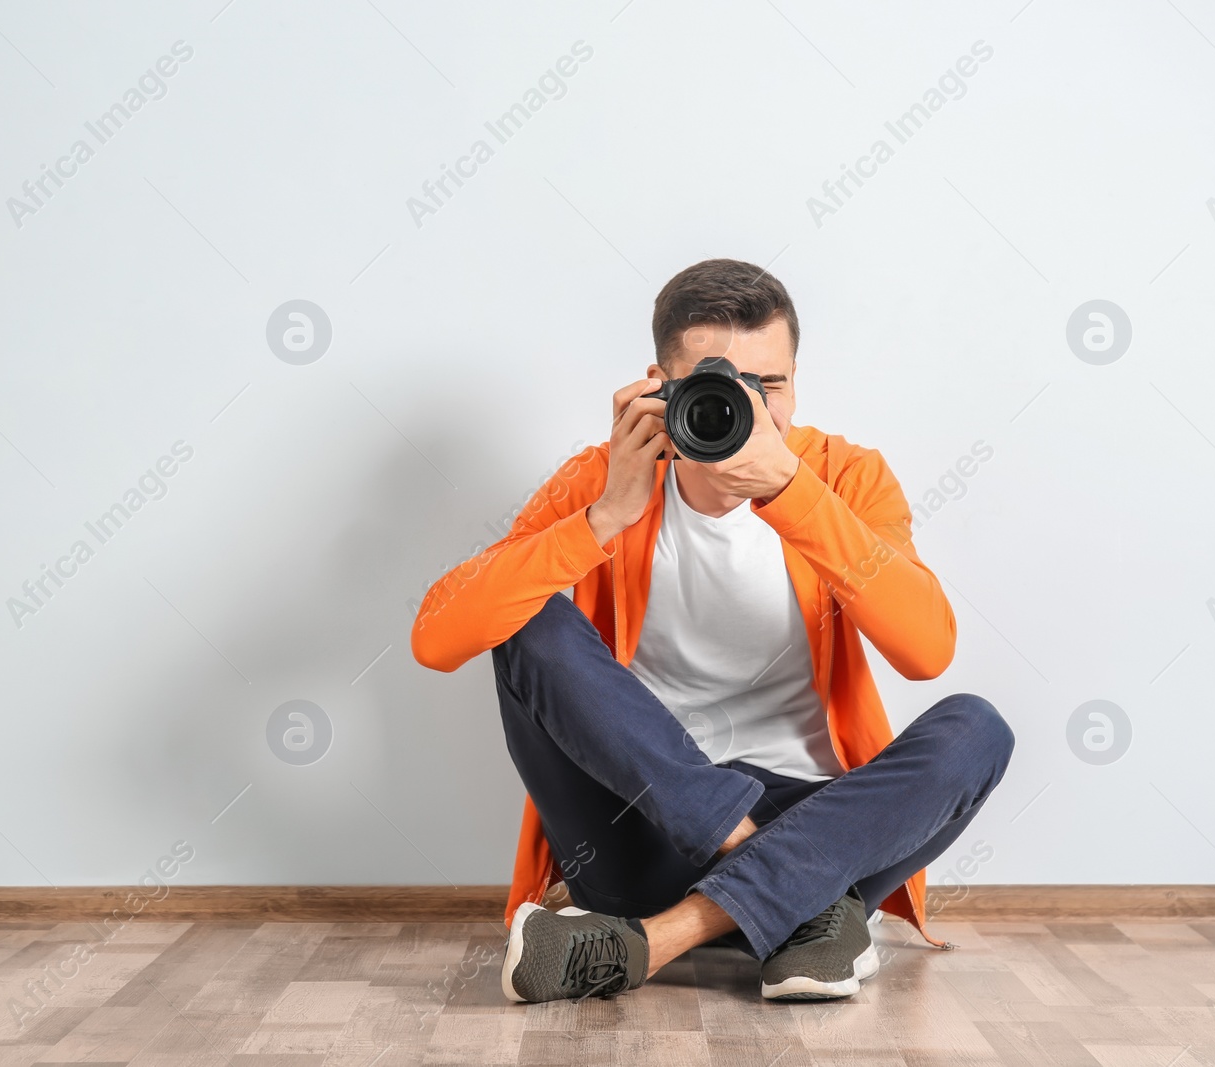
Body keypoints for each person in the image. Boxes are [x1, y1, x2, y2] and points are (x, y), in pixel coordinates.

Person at [410, 259, 1014, 1003]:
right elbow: (437, 639)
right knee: (525, 612)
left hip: (819, 817)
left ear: (798, 381)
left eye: (774, 385)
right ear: (662, 386)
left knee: (977, 729)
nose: (754, 408)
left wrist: (790, 492)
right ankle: (804, 908)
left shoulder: (844, 476)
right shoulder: (604, 477)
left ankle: (660, 939)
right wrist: (604, 518)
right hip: (642, 826)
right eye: (724, 383)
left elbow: (927, 652)